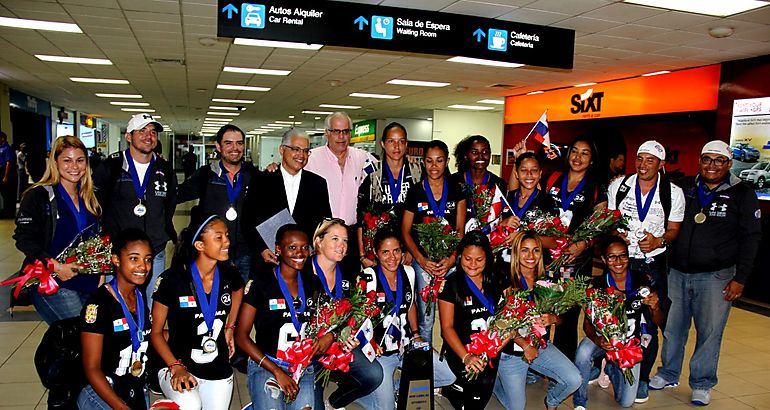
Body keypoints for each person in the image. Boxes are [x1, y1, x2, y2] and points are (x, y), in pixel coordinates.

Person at [650, 140, 762, 406]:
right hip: (677, 272)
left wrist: (741, 279)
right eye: (707, 159)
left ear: (729, 164)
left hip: (716, 276)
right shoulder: (685, 187)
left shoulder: (742, 193)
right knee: (672, 328)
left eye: (718, 160)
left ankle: (701, 383)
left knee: (709, 332)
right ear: (699, 161)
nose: (712, 166)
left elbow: (752, 238)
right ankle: (668, 373)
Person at [607, 140, 685, 402]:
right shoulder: (620, 186)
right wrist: (615, 232)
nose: (643, 165)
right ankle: (611, 363)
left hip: (652, 264)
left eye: (650, 160)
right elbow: (609, 219)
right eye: (640, 158)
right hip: (621, 261)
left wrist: (658, 241)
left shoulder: (673, 193)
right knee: (614, 315)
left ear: (661, 164)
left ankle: (642, 377)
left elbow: (674, 230)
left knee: (648, 321)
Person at [150, 215, 244, 410]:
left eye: (226, 235)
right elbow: (156, 333)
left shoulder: (229, 274)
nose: (227, 241)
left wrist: (230, 326)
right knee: (190, 405)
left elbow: (238, 289)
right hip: (178, 364)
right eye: (219, 237)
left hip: (217, 366)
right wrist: (175, 366)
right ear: (200, 245)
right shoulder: (172, 280)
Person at [356, 228, 455, 410]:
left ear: (402, 251)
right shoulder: (367, 277)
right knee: (387, 409)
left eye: (396, 250)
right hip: (381, 353)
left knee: (449, 376)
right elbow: (358, 317)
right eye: (385, 252)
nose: (392, 257)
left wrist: (416, 334)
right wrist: (369, 343)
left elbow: (411, 306)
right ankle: (359, 394)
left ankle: (396, 388)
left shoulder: (409, 273)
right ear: (376, 253)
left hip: (406, 347)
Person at [235, 224, 328, 409]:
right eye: (292, 247)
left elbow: (326, 321)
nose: (300, 253)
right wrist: (277, 371)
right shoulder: (261, 282)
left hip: (302, 366)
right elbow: (241, 336)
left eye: (304, 247)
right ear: (278, 249)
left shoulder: (314, 282)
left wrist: (329, 337)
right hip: (267, 363)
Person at [14, 136, 101, 324]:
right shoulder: (38, 195)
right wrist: (55, 266)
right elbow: (24, 239)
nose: (74, 167)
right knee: (77, 337)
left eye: (80, 160)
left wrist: (102, 275)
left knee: (88, 341)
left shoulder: (91, 196)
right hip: (54, 282)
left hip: (88, 282)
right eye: (67, 160)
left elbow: (98, 239)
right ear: (55, 162)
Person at [93, 113, 177, 305]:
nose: (149, 136)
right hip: (119, 253)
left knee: (151, 305)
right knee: (115, 305)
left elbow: (170, 203)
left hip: (154, 252)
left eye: (153, 132)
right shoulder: (111, 168)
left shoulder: (164, 169)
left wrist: (161, 230)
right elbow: (97, 206)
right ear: (128, 136)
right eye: (142, 131)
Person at [573, 237, 664, 409]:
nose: (618, 261)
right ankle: (579, 400)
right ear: (604, 260)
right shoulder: (598, 285)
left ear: (628, 257)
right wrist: (598, 341)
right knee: (583, 352)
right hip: (604, 339)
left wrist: (655, 307)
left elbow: (657, 322)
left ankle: (610, 368)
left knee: (626, 402)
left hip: (630, 344)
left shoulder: (643, 280)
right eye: (612, 257)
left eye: (622, 256)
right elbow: (587, 324)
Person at [493, 232, 581, 410]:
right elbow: (500, 324)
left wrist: (553, 318)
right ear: (516, 252)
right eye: (525, 250)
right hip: (512, 351)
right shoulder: (504, 280)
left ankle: (552, 401)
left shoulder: (548, 279)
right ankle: (493, 384)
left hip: (540, 346)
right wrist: (525, 346)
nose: (531, 256)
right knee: (516, 407)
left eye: (536, 250)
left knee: (574, 379)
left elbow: (563, 318)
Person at [308, 218, 384, 409]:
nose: (341, 245)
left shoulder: (349, 274)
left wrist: (352, 336)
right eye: (335, 239)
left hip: (338, 347)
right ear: (318, 241)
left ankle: (335, 402)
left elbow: (353, 314)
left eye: (345, 241)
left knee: (374, 375)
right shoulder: (302, 273)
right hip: (308, 352)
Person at [544, 136, 607, 361]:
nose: (578, 157)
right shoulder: (552, 179)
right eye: (574, 151)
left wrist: (584, 244)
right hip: (547, 258)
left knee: (567, 314)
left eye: (585, 153)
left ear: (592, 160)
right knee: (542, 308)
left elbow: (600, 226)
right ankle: (538, 362)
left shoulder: (596, 187)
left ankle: (563, 365)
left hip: (576, 261)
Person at [78, 229, 154, 410]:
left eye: (148, 259)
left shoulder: (139, 295)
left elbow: (142, 335)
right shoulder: (99, 305)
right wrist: (120, 407)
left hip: (133, 386)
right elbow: (92, 368)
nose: (143, 266)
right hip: (103, 390)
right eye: (134, 258)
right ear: (116, 260)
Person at [401, 140, 466, 343]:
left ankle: (453, 361)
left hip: (451, 263)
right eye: (429, 161)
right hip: (425, 264)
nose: (434, 166)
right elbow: (405, 231)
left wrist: (451, 259)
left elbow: (460, 230)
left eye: (439, 161)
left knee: (453, 316)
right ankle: (427, 365)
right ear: (423, 163)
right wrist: (421, 260)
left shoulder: (457, 190)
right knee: (426, 319)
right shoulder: (415, 191)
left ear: (447, 161)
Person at [178, 124, 258, 281]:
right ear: (218, 146)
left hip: (245, 252)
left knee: (241, 299)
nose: (235, 148)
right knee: (211, 296)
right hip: (212, 252)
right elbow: (174, 195)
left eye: (239, 143)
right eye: (228, 143)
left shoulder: (254, 176)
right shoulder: (206, 174)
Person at [243, 129, 331, 269]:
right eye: (296, 149)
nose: (301, 155)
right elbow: (247, 221)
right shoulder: (261, 181)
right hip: (269, 261)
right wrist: (262, 249)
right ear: (282, 150)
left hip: (305, 262)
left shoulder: (317, 184)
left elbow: (324, 223)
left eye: (305, 150)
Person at [438, 231, 504, 409]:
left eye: (479, 260)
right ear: (460, 257)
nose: (473, 265)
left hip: (489, 350)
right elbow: (446, 328)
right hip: (461, 351)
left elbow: (506, 315)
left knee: (482, 396)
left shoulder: (496, 279)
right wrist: (466, 357)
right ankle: (450, 386)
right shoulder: (451, 284)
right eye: (468, 259)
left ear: (487, 258)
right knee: (469, 403)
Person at [357, 122, 422, 268]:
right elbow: (361, 217)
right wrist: (362, 255)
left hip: (409, 252)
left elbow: (422, 216)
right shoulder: (372, 174)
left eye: (401, 141)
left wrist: (412, 250)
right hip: (378, 253)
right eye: (391, 141)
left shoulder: (418, 172)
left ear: (407, 144)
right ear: (383, 144)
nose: (397, 146)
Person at [305, 112, 377, 226]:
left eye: (346, 131)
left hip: (353, 233)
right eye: (336, 131)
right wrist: (273, 168)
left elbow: (387, 169)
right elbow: (289, 172)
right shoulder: (310, 159)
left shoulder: (363, 158)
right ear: (327, 133)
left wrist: (407, 161)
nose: (341, 136)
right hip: (322, 232)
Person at [499, 152, 558, 263]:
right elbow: (491, 230)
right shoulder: (507, 198)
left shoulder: (548, 201)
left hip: (532, 265)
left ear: (540, 174)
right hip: (505, 264)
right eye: (523, 170)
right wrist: (502, 223)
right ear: (516, 173)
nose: (529, 174)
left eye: (534, 170)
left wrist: (522, 237)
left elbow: (553, 242)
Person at [452, 135, 507, 229]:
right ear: (466, 156)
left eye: (485, 152)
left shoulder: (499, 184)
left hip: (488, 239)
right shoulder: (453, 181)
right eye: (474, 152)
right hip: (458, 239)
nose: (481, 156)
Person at [0, 131, 16, 217]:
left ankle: (8, 212)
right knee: (3, 193)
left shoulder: (7, 148)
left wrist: (5, 176)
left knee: (7, 194)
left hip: (4, 171)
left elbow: (8, 163)